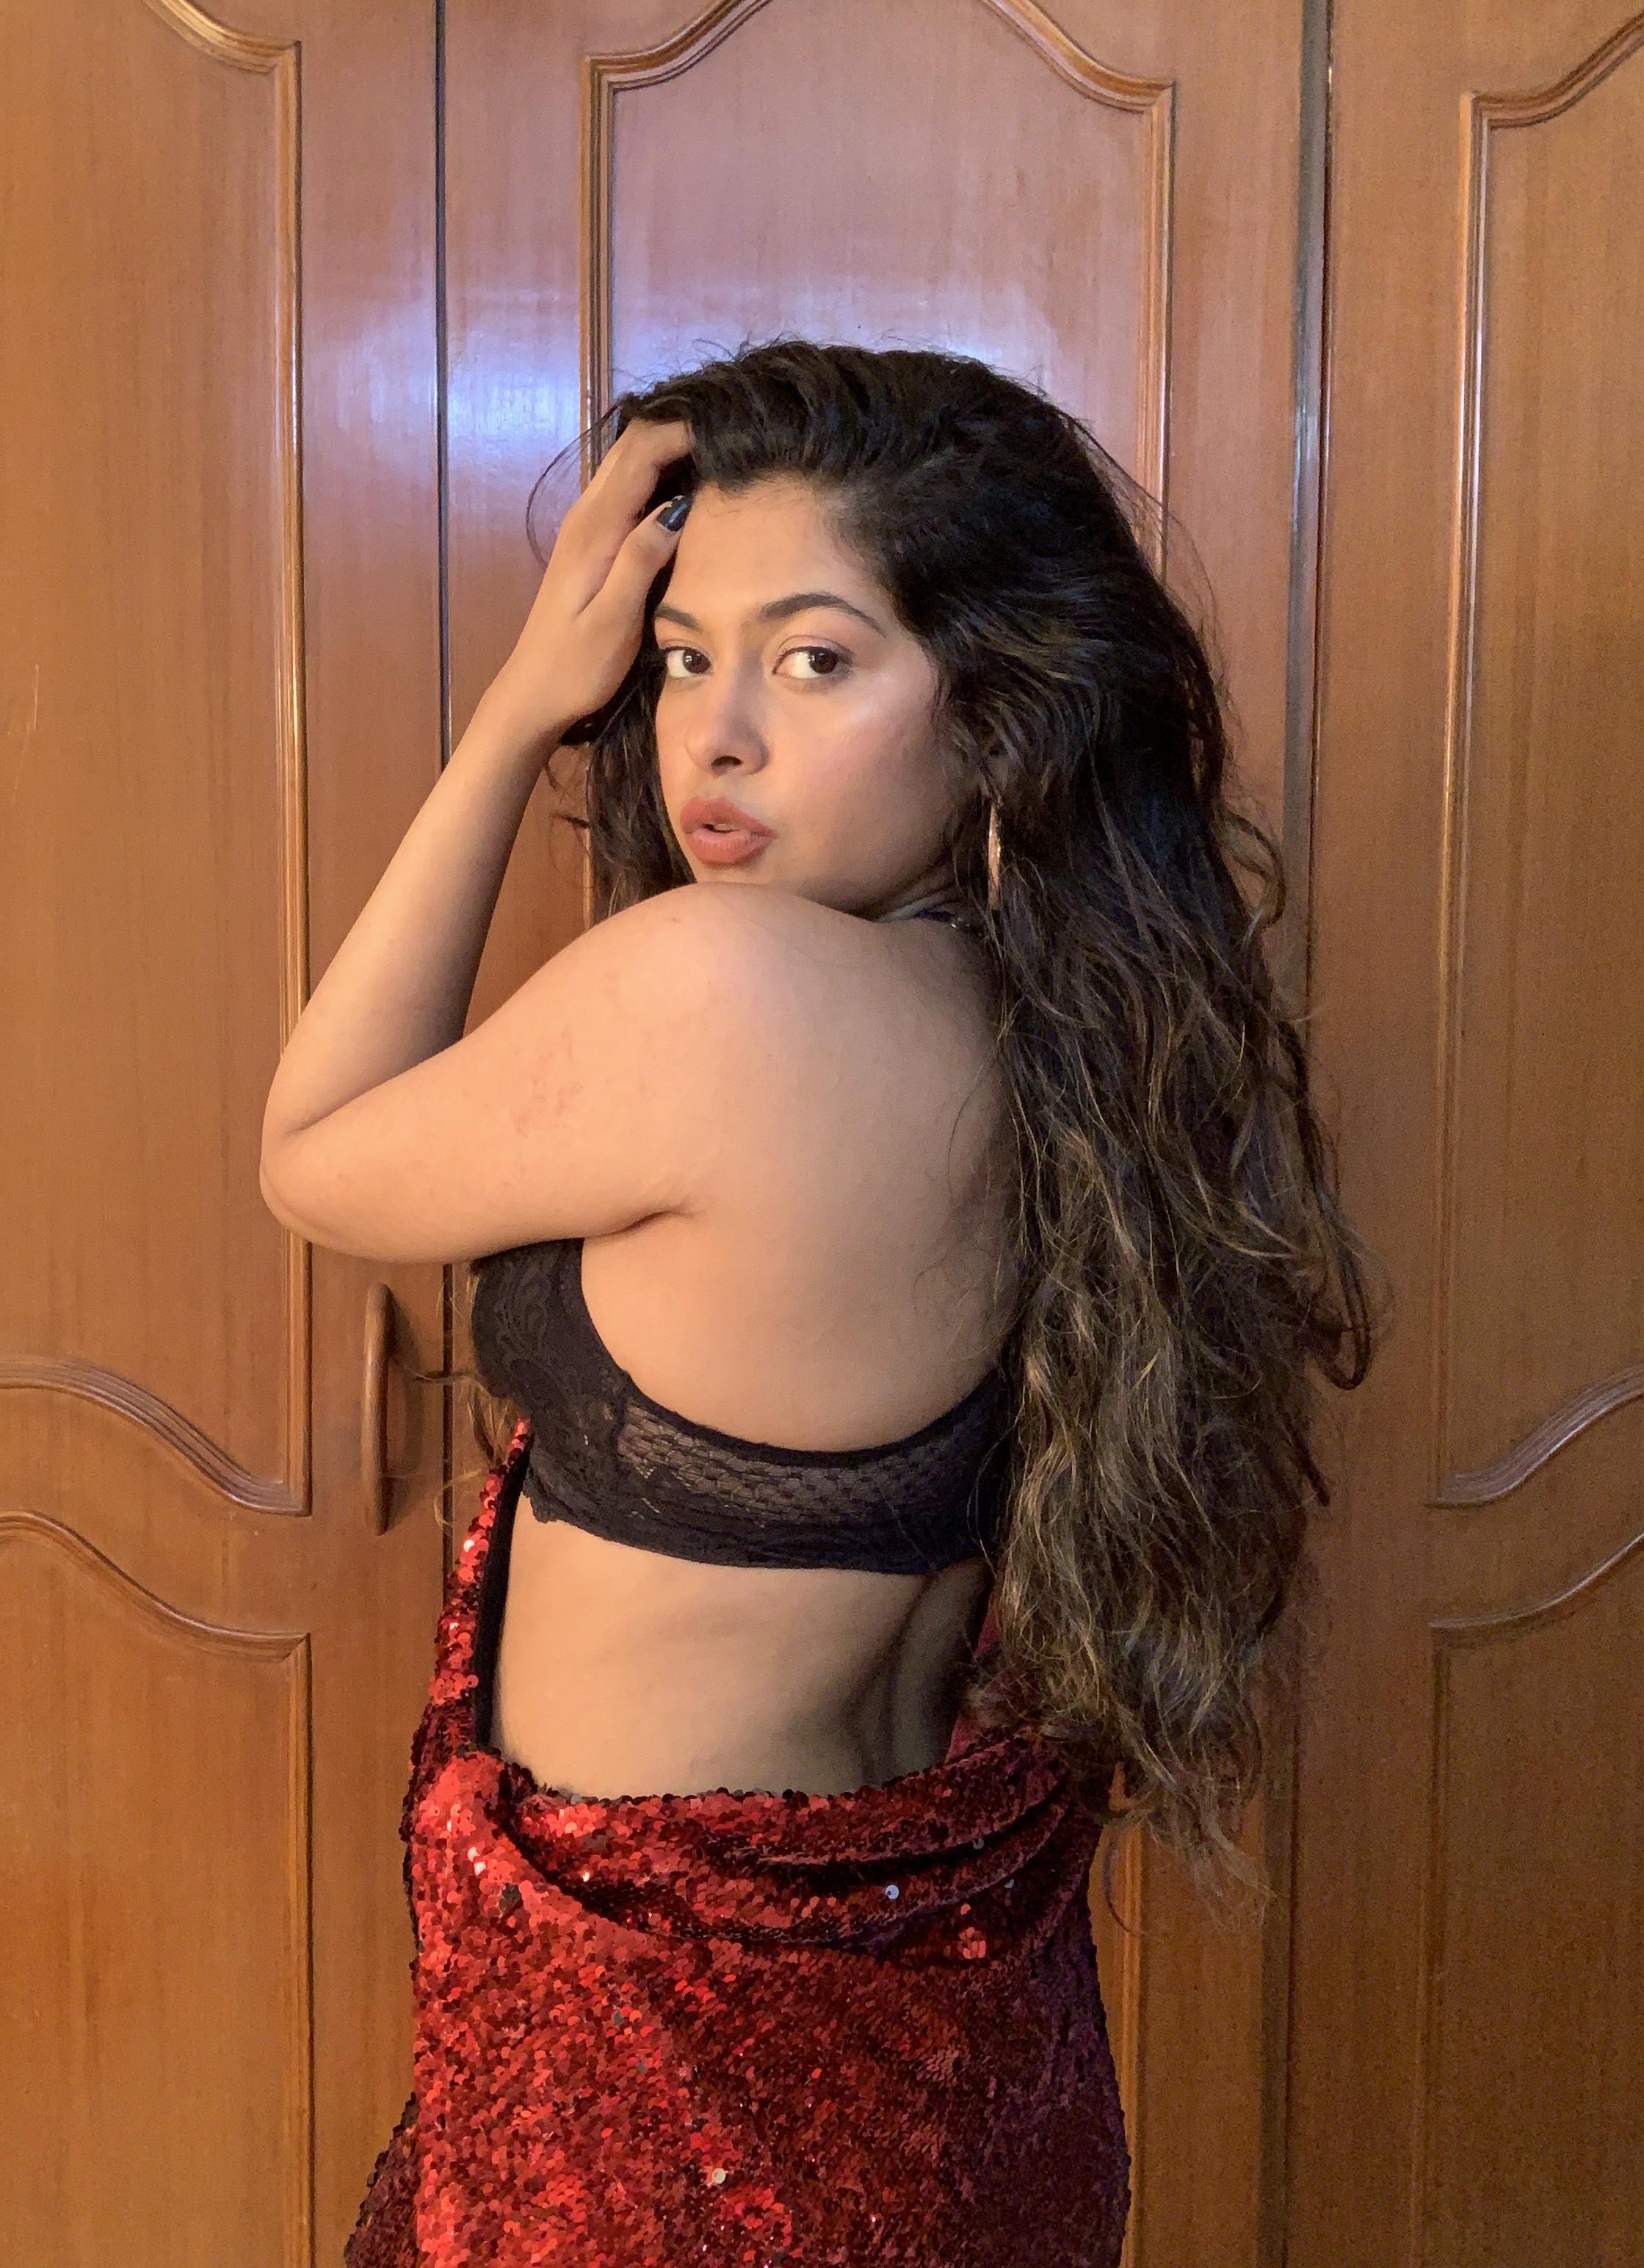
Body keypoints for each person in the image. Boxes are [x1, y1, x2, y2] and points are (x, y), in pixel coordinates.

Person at [259, 338, 1384, 2267]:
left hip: (665, 2086)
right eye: (679, 656)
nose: (711, 736)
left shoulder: (728, 990)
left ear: (999, 709)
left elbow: (314, 1151)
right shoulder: (1084, 1038)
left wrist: (515, 716)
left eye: (813, 660)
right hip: (946, 2047)